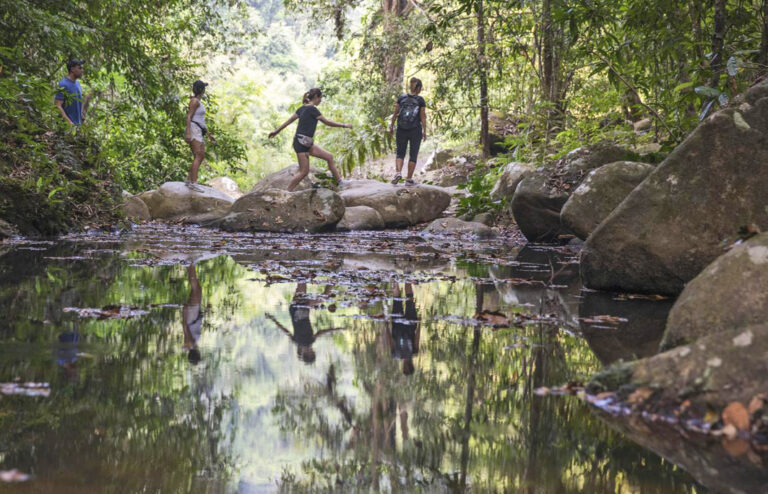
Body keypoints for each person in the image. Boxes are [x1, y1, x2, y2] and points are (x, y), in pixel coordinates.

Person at [268, 88, 352, 191]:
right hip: (301, 143)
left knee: (329, 157)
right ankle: (287, 192)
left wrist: (276, 131)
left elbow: (288, 121)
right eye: (320, 98)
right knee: (304, 171)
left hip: (307, 143)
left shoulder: (302, 108)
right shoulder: (312, 109)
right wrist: (344, 125)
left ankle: (340, 182)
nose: (321, 100)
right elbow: (327, 122)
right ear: (316, 97)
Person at [389, 77, 427, 186]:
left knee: (400, 153)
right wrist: (424, 131)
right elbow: (422, 117)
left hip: (401, 129)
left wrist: (391, 126)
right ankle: (409, 179)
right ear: (418, 88)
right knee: (413, 154)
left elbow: (395, 114)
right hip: (415, 130)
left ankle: (398, 173)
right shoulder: (420, 100)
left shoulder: (401, 98)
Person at [184, 80, 216, 190]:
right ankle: (193, 183)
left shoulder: (198, 101)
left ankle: (189, 179)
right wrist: (188, 132)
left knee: (201, 155)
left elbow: (200, 119)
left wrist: (208, 134)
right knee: (198, 155)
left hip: (199, 129)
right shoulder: (194, 101)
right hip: (194, 129)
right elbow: (189, 117)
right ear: (201, 90)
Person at [387, 283, 420, 375]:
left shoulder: (398, 354)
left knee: (406, 300)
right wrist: (386, 326)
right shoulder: (400, 354)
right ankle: (402, 278)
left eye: (404, 369)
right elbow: (417, 338)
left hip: (405, 325)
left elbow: (390, 341)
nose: (404, 368)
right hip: (401, 326)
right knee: (401, 300)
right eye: (405, 369)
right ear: (409, 367)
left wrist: (386, 326)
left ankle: (402, 277)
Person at [54, 59, 93, 126]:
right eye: (79, 68)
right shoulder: (63, 84)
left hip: (77, 126)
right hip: (66, 127)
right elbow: (57, 105)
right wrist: (69, 122)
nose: (82, 70)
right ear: (72, 69)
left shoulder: (77, 84)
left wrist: (81, 115)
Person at [182, 263, 204, 364]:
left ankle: (191, 263)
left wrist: (184, 313)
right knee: (197, 288)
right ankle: (189, 265)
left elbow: (185, 327)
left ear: (197, 354)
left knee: (196, 289)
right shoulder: (191, 344)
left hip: (191, 315)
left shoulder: (191, 343)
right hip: (194, 314)